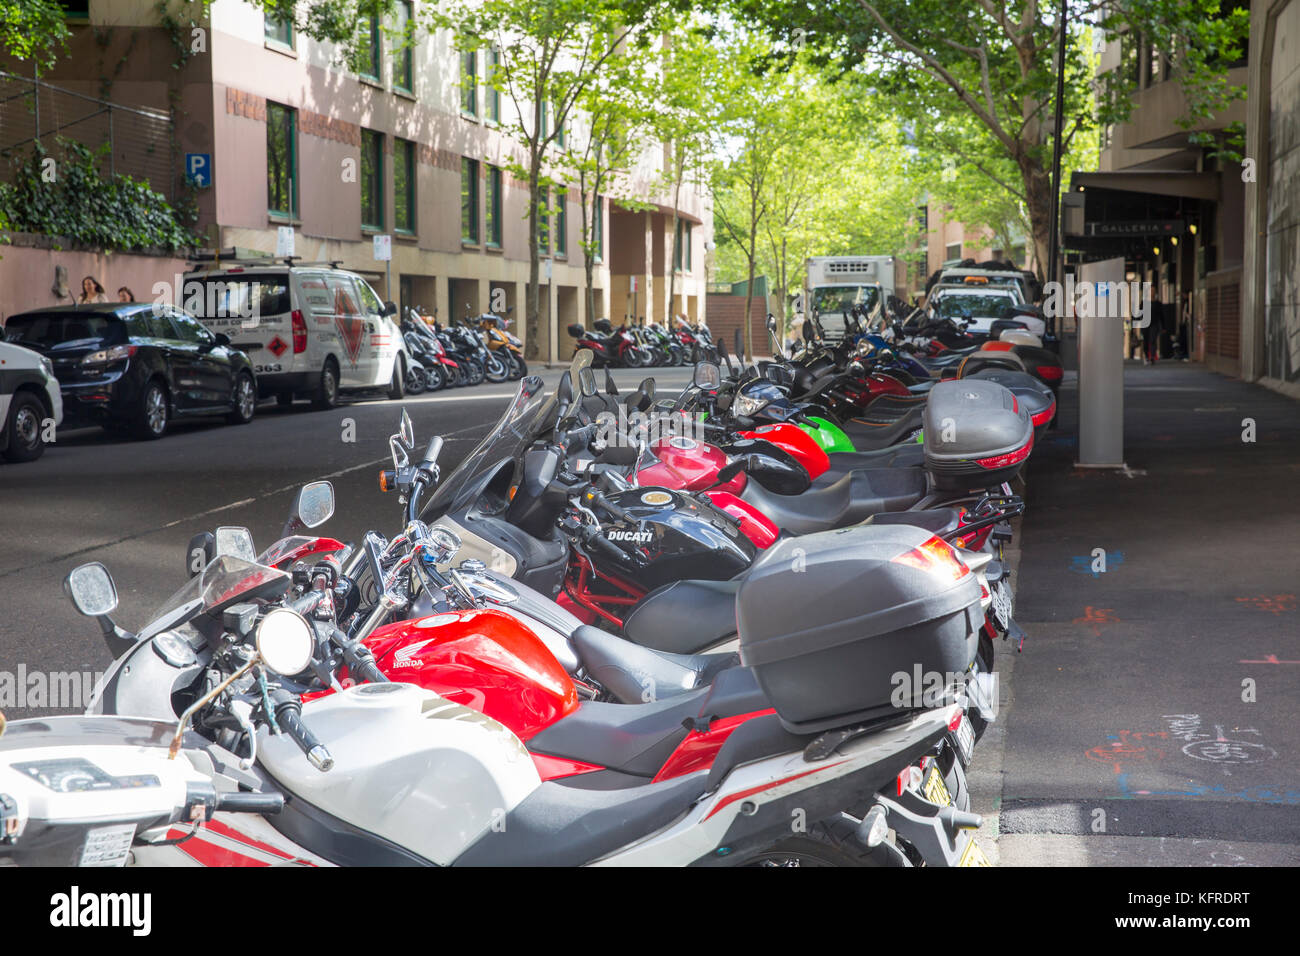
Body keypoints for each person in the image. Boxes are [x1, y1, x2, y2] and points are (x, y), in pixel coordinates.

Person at [1142, 294, 1162, 365]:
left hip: (1154, 324)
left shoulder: (1158, 303)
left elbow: (1161, 315)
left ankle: (1152, 357)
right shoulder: (1144, 303)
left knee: (1153, 340)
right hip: (1145, 324)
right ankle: (1147, 356)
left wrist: (1164, 326)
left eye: (1153, 291)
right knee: (1146, 341)